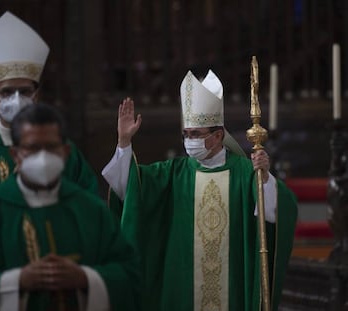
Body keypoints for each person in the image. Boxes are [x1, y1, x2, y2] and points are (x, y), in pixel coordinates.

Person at [102, 70, 298, 311]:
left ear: (217, 136)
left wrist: (265, 178)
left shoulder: (245, 173)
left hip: (232, 290)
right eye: (186, 134)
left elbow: (277, 214)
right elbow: (130, 190)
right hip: (182, 290)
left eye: (195, 134)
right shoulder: (173, 174)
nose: (188, 141)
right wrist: (124, 143)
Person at [0, 103, 140, 311]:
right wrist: (16, 282)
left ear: (65, 152)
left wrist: (85, 278)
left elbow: (129, 276)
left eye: (51, 147)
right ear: (15, 154)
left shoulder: (91, 210)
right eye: (33, 148)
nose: (43, 157)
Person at [0, 11, 98, 266]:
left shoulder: (63, 150)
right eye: (6, 91)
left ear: (36, 95)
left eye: (24, 91)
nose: (16, 99)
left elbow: (92, 208)